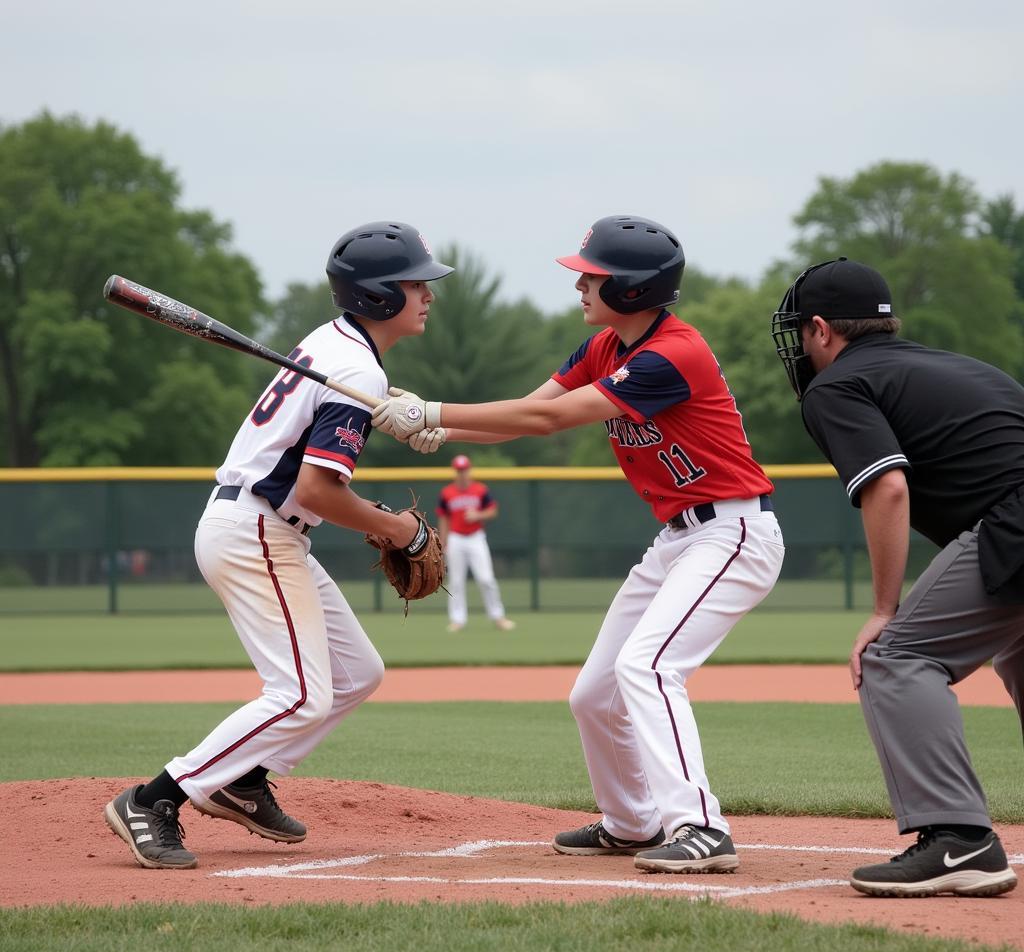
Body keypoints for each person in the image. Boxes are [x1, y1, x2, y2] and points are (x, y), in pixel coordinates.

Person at [373, 215, 785, 874]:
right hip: (681, 537)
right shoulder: (603, 349)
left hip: (732, 532)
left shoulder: (671, 353)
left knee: (648, 668)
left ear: (631, 287)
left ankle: (702, 827)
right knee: (594, 694)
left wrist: (436, 413)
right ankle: (631, 822)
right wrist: (441, 433)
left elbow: (549, 417)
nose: (580, 285)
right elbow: (527, 412)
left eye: (592, 275)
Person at [104, 222, 452, 868]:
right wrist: (398, 526)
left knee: (357, 675)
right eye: (416, 284)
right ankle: (154, 798)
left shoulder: (336, 346)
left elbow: (329, 411)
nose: (429, 294)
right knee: (299, 693)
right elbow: (319, 492)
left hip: (262, 530)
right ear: (379, 297)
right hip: (257, 532)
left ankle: (243, 778)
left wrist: (389, 405)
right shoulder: (355, 368)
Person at [772, 257, 1021, 897]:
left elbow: (887, 487)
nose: (801, 345)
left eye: (801, 331)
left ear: (822, 330)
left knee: (896, 655)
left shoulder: (836, 387)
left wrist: (885, 609)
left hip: (1015, 524)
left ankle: (959, 841)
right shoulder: (961, 365)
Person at [436, 453, 515, 633]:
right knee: (456, 581)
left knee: (486, 579)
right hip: (456, 539)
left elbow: (493, 511)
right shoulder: (447, 493)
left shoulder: (480, 490)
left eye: (464, 470)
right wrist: (443, 541)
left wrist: (478, 515)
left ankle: (498, 617)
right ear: (455, 471)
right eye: (459, 470)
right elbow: (443, 518)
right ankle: (457, 620)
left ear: (469, 470)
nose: (462, 473)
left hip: (476, 537)